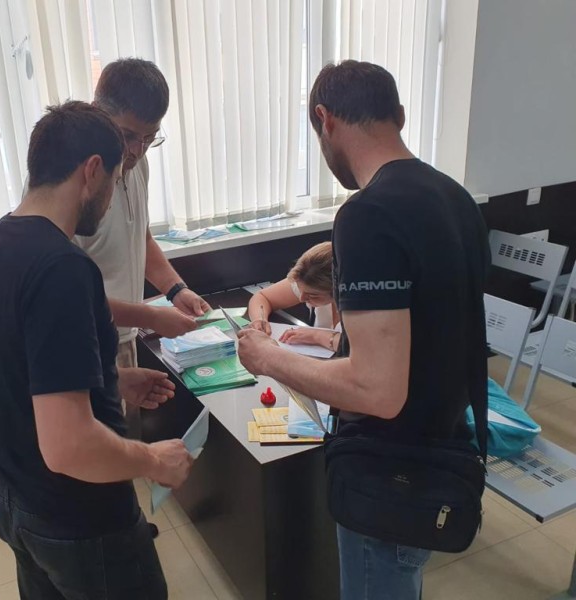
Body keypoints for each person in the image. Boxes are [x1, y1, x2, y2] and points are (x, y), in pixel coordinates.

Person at [237, 60, 489, 600]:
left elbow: (377, 390)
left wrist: (267, 357)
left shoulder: (367, 214)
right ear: (400, 115)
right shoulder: (456, 199)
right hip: (441, 452)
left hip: (390, 475)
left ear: (325, 119)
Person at [0, 101, 194, 600]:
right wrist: (152, 460)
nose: (110, 201)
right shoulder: (63, 268)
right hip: (78, 519)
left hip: (12, 497)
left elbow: (17, 369)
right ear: (91, 172)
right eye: (113, 181)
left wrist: (109, 381)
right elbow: (69, 446)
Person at [76, 58, 211, 375]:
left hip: (124, 336)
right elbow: (67, 298)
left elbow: (141, 239)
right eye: (127, 135)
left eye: (150, 138)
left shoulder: (137, 165)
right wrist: (150, 317)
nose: (136, 151)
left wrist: (176, 291)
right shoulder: (73, 179)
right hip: (83, 345)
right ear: (97, 112)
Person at [247, 241, 342, 352]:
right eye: (299, 289)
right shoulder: (307, 279)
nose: (302, 298)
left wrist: (316, 336)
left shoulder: (358, 303)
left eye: (313, 295)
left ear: (337, 289)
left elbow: (355, 347)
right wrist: (260, 319)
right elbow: (262, 297)